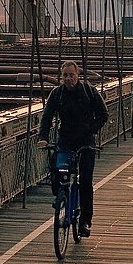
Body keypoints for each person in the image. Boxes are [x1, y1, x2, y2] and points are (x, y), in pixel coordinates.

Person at [37, 60, 109, 237]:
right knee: (57, 171)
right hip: (66, 140)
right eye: (65, 75)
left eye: (71, 75)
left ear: (78, 76)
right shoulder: (57, 94)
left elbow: (103, 114)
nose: (68, 79)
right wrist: (43, 138)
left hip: (86, 142)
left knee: (85, 180)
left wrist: (91, 130)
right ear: (61, 77)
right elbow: (47, 117)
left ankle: (85, 221)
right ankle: (61, 196)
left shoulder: (89, 91)